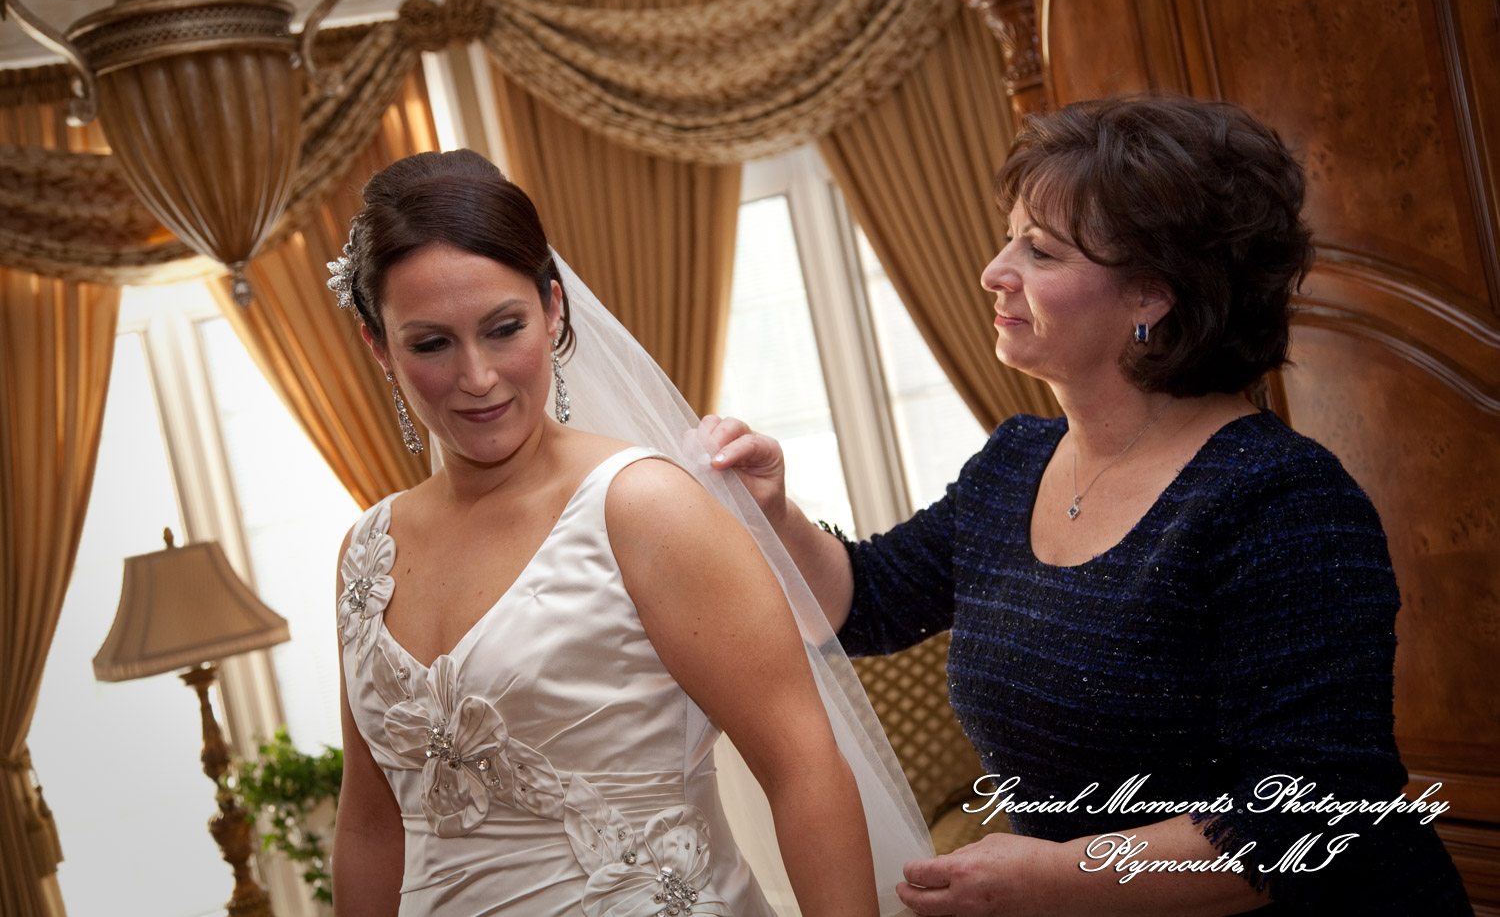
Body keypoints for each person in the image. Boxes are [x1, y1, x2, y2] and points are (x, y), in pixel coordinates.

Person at [704, 95, 1473, 915]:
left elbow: (1305, 819)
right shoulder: (1015, 462)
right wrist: (772, 510)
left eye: (1039, 250)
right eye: (1011, 237)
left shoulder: (1281, 500)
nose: (994, 271)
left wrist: (1049, 874)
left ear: (1151, 296)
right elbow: (864, 600)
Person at [325, 149, 929, 916]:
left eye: (504, 327)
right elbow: (372, 825)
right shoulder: (365, 550)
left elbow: (802, 764)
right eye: (431, 343)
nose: (477, 376)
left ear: (552, 311)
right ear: (381, 346)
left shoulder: (644, 506)